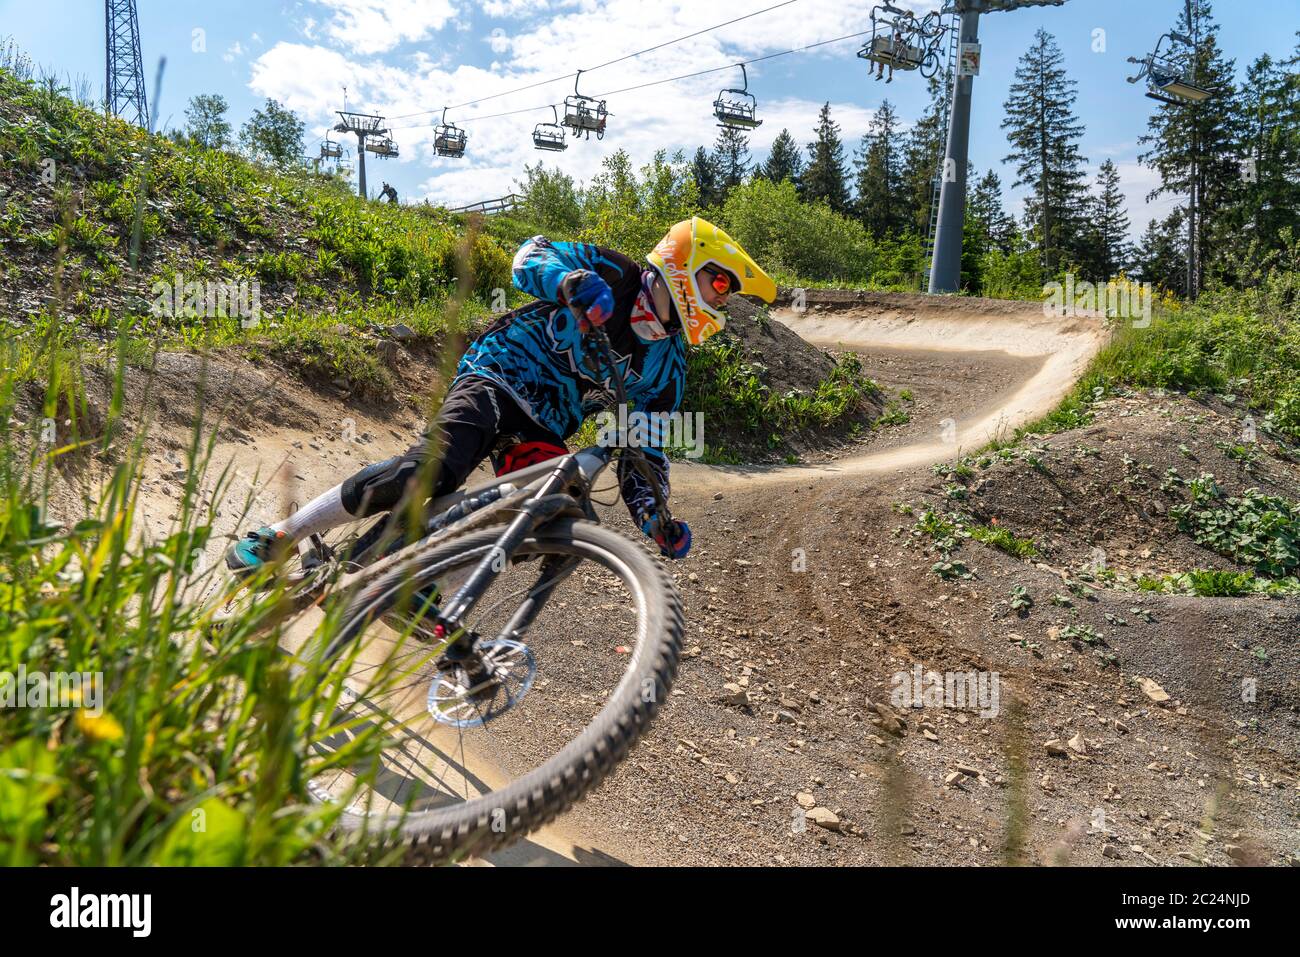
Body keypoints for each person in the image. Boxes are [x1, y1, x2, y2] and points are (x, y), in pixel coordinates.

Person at [225, 216, 776, 575]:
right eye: (721, 285)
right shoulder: (616, 272)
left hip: (545, 426)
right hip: (500, 373)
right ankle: (280, 534)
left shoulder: (670, 366)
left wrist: (654, 515)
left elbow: (644, 450)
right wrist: (568, 282)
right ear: (687, 262)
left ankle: (392, 574)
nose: (721, 303)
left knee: (560, 520)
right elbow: (527, 257)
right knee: (433, 472)